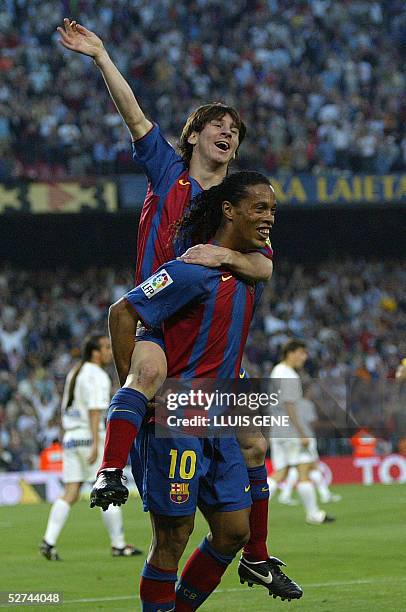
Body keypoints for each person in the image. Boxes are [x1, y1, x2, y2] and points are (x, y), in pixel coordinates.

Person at [57, 18, 275, 591]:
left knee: (255, 438)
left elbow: (265, 264)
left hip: (213, 342)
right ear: (196, 135)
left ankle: (258, 551)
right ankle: (110, 471)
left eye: (236, 130)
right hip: (159, 318)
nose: (229, 134)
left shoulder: (238, 203)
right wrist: (101, 55)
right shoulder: (167, 172)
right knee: (148, 372)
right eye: (218, 126)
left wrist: (221, 258)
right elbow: (133, 114)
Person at [95, 171, 302, 609]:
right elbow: (122, 313)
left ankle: (239, 569)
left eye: (273, 211)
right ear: (229, 210)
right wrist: (134, 387)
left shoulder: (250, 264)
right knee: (173, 538)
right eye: (260, 209)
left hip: (221, 417)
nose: (269, 218)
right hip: (179, 421)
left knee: (233, 532)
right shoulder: (190, 270)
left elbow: (265, 262)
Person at [39, 334, 141, 560]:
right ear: (95, 352)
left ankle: (49, 541)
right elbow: (95, 411)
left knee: (70, 493)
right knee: (109, 487)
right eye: (105, 347)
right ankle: (119, 544)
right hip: (89, 436)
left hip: (72, 437)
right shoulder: (97, 375)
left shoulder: (76, 372)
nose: (109, 351)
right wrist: (97, 442)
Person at [269, 340, 335, 525]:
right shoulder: (288, 374)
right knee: (304, 469)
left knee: (280, 472)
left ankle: (250, 512)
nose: (304, 357)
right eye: (301, 353)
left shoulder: (276, 371)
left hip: (278, 429)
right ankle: (313, 514)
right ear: (290, 353)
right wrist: (301, 432)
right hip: (290, 430)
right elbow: (289, 405)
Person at [277, 386, 341, 505]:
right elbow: (313, 424)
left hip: (293, 437)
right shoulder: (307, 404)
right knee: (311, 466)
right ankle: (323, 496)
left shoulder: (293, 404)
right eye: (312, 390)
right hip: (306, 438)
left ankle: (286, 494)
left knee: (299, 467)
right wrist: (330, 425)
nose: (314, 393)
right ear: (307, 391)